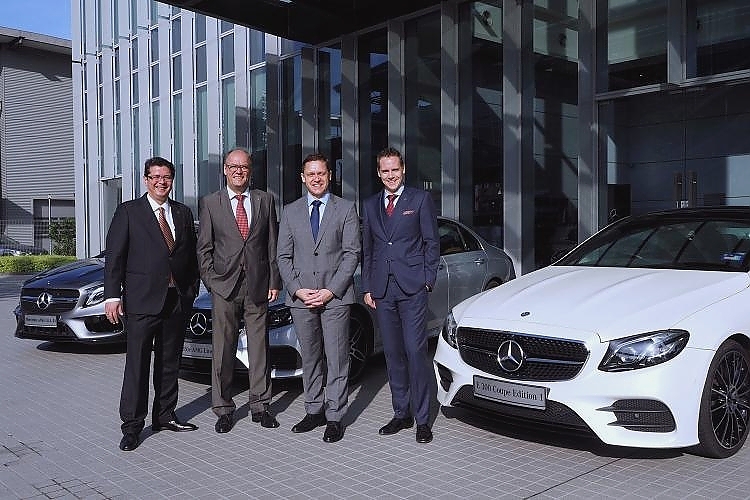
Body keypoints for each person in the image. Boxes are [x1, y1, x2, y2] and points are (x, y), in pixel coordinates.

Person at [104, 156, 200, 452]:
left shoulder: (182, 213)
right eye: (156, 176)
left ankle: (165, 415)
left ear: (172, 180)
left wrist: (191, 291)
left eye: (167, 177)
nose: (162, 181)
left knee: (169, 362)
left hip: (176, 300)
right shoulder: (129, 212)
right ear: (146, 180)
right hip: (142, 302)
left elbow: (189, 256)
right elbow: (114, 258)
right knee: (137, 365)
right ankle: (132, 426)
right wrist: (112, 296)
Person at [276, 153, 361, 443]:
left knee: (337, 359)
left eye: (321, 173)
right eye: (310, 174)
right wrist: (298, 289)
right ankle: (314, 410)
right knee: (310, 357)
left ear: (329, 175)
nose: (316, 178)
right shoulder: (289, 211)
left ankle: (335, 416)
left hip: (334, 298)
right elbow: (283, 256)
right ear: (302, 177)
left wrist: (330, 290)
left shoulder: (346, 209)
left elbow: (352, 255)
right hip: (301, 299)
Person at [197, 147, 282, 433]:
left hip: (257, 285)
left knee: (259, 348)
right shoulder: (210, 203)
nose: (238, 171)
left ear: (250, 170)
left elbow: (272, 244)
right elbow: (204, 248)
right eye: (233, 166)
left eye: (244, 167)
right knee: (223, 348)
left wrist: (274, 280)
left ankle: (261, 405)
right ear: (224, 169)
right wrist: (212, 282)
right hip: (225, 287)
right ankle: (223, 407)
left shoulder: (265, 200)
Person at [361, 146, 440, 444]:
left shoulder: (419, 199)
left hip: (412, 288)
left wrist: (427, 280)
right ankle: (401, 413)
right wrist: (367, 287)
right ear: (378, 172)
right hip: (382, 290)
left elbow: (432, 243)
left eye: (395, 169)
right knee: (393, 355)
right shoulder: (370, 205)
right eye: (385, 171)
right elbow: (368, 249)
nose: (391, 175)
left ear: (403, 169)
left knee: (415, 352)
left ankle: (422, 419)